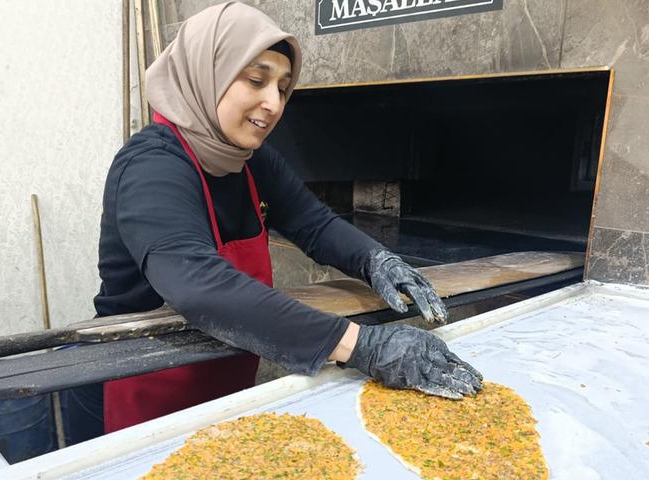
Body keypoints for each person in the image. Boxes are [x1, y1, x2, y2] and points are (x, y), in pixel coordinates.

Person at [69, 1, 482, 438]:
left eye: (283, 88)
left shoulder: (249, 160)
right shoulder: (151, 165)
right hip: (135, 390)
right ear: (207, 74)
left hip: (219, 379)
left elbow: (314, 224)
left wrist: (376, 261)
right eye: (255, 80)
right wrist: (363, 346)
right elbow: (198, 285)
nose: (273, 103)